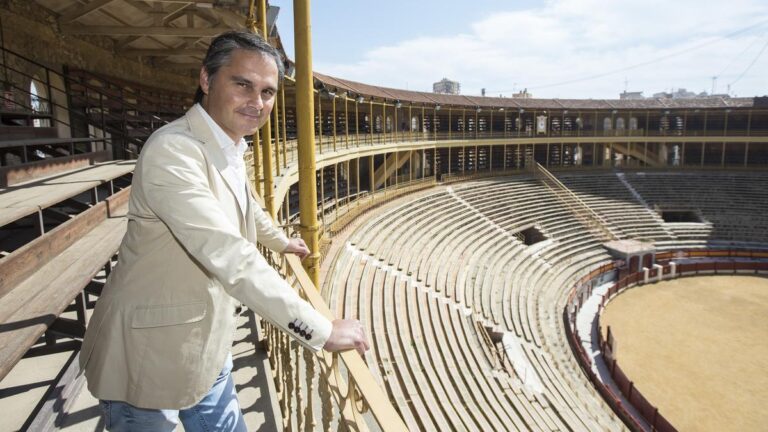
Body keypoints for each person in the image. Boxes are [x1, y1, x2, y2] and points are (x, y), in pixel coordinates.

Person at [79, 31, 369, 431]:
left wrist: (281, 241)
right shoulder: (174, 151)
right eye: (243, 84)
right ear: (206, 80)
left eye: (267, 91)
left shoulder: (227, 145)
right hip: (145, 354)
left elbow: (247, 206)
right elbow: (229, 252)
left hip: (207, 343)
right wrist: (320, 330)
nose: (258, 102)